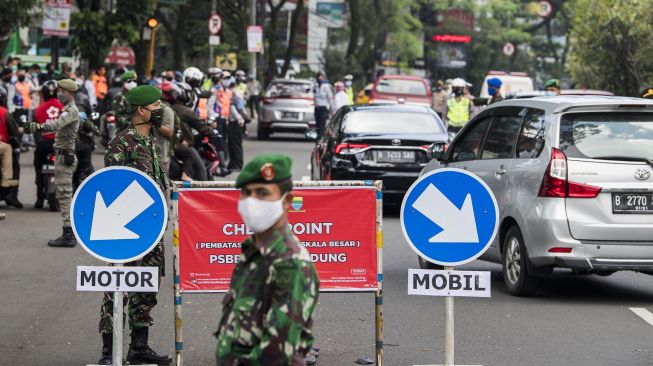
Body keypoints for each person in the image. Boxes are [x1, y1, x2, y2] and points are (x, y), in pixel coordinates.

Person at [215, 154, 319, 366]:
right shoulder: (254, 251)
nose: (252, 202)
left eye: (262, 193)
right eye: (246, 193)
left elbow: (277, 355)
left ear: (287, 201)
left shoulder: (290, 263)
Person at [99, 85, 172, 365]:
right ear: (141, 110)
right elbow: (111, 187)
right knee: (117, 288)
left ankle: (139, 348)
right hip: (126, 230)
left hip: (152, 229)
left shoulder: (150, 142)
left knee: (148, 285)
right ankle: (109, 350)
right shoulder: (122, 143)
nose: (159, 110)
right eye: (155, 105)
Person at [25, 79, 80, 246]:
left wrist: (37, 127)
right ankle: (68, 231)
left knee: (64, 195)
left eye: (62, 91)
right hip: (63, 155)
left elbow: (57, 124)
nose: (59, 94)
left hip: (65, 157)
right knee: (63, 194)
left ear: (70, 93)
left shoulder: (71, 111)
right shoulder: (67, 109)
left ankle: (69, 234)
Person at [32, 80, 63, 208]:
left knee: (38, 168)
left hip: (44, 143)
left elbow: (34, 129)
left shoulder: (38, 109)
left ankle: (39, 198)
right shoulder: (64, 107)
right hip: (61, 143)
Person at [313, 72, 333, 138]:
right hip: (317, 108)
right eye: (318, 79)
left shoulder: (326, 87)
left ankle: (320, 139)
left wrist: (329, 108)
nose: (320, 80)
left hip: (324, 108)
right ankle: (318, 138)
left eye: (321, 79)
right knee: (318, 125)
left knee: (322, 125)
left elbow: (330, 98)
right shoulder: (315, 86)